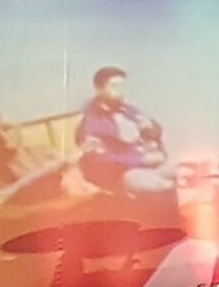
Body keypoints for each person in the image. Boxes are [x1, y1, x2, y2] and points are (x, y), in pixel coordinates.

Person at [75, 66, 175, 194]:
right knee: (157, 184)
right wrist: (139, 159)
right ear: (99, 90)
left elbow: (154, 131)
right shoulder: (92, 122)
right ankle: (173, 193)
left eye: (122, 87)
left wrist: (152, 130)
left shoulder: (129, 110)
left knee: (185, 170)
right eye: (114, 86)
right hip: (122, 176)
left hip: (150, 166)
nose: (120, 92)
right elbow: (99, 161)